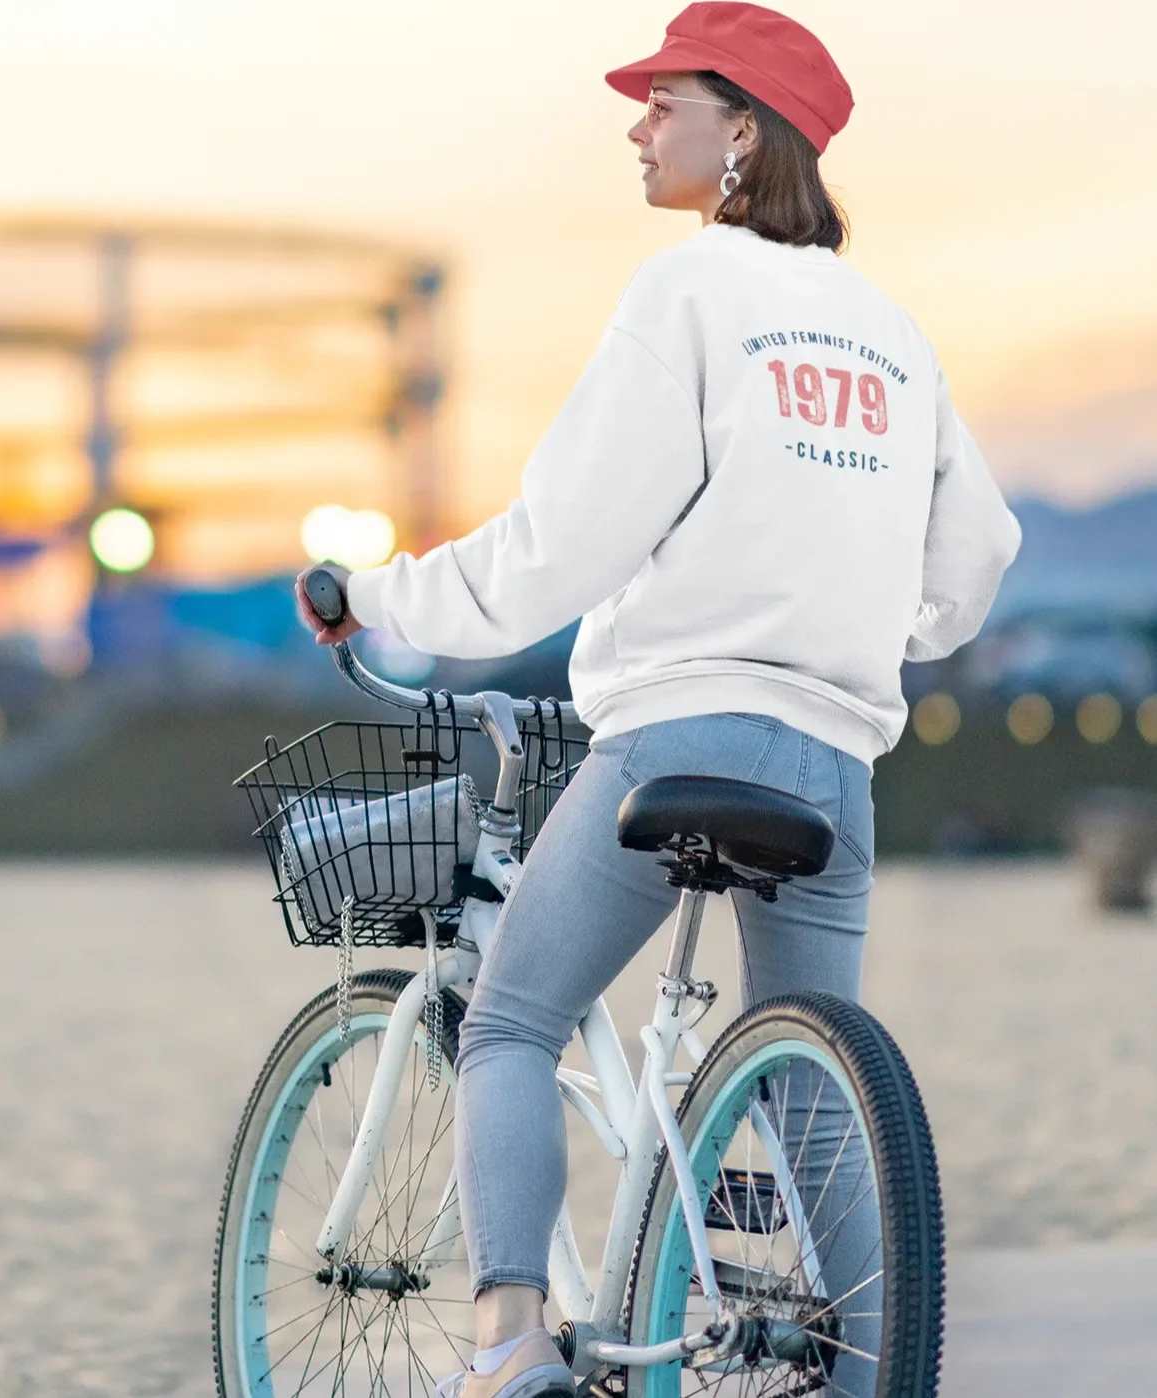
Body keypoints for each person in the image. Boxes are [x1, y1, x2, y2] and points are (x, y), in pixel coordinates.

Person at [296, 4, 1022, 1395]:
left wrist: (384, 600)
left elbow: (552, 550)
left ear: (740, 128)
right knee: (813, 1100)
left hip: (673, 734)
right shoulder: (892, 337)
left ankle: (509, 1344)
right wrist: (873, 624)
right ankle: (871, 1366)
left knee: (509, 1018)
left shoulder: (683, 297)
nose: (635, 125)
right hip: (832, 764)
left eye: (659, 101)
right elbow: (976, 552)